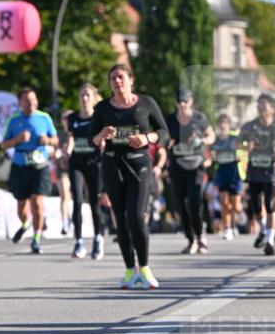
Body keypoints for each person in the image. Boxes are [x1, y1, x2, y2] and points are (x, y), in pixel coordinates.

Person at [90, 63, 168, 288]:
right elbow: (91, 139)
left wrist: (147, 139)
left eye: (121, 77)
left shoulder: (146, 103)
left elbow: (164, 132)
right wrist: (102, 135)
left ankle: (144, 267)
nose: (117, 81)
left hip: (139, 164)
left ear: (131, 80)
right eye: (113, 78)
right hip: (112, 164)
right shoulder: (103, 108)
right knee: (121, 220)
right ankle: (128, 270)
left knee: (136, 216)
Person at [1, 87, 58, 254]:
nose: (30, 103)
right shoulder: (14, 120)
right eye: (26, 100)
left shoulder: (44, 117)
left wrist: (47, 140)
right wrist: (18, 140)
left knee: (38, 202)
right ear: (20, 103)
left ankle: (36, 239)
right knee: (21, 206)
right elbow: (4, 144)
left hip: (40, 165)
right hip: (20, 165)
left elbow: (55, 139)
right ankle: (25, 223)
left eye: (33, 99)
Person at [237, 94, 275, 256]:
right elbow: (238, 143)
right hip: (254, 171)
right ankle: (264, 229)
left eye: (264, 105)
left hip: (271, 171)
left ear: (272, 108)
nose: (260, 107)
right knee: (256, 207)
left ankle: (271, 240)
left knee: (271, 204)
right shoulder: (250, 126)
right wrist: (246, 148)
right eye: (259, 105)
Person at [166, 89, 215, 254]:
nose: (182, 104)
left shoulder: (199, 118)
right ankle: (190, 239)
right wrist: (167, 143)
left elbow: (211, 136)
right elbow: (164, 139)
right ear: (175, 103)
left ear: (191, 102)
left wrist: (202, 140)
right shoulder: (170, 120)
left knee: (194, 201)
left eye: (185, 101)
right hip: (177, 166)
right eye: (179, 101)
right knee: (180, 203)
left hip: (196, 166)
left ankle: (201, 236)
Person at [66, 83, 105, 260]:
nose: (84, 99)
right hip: (76, 162)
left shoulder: (98, 117)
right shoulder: (73, 117)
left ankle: (98, 237)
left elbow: (104, 137)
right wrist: (66, 151)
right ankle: (79, 241)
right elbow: (71, 137)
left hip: (94, 162)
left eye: (88, 95)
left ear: (94, 98)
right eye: (82, 95)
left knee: (94, 201)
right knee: (77, 200)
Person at [211, 112, 242, 241]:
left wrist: (241, 156)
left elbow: (244, 149)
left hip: (234, 172)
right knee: (224, 202)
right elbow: (210, 152)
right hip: (222, 171)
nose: (223, 126)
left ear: (229, 126)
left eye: (225, 123)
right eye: (221, 124)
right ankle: (228, 229)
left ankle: (234, 223)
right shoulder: (216, 140)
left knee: (236, 206)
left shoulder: (234, 138)